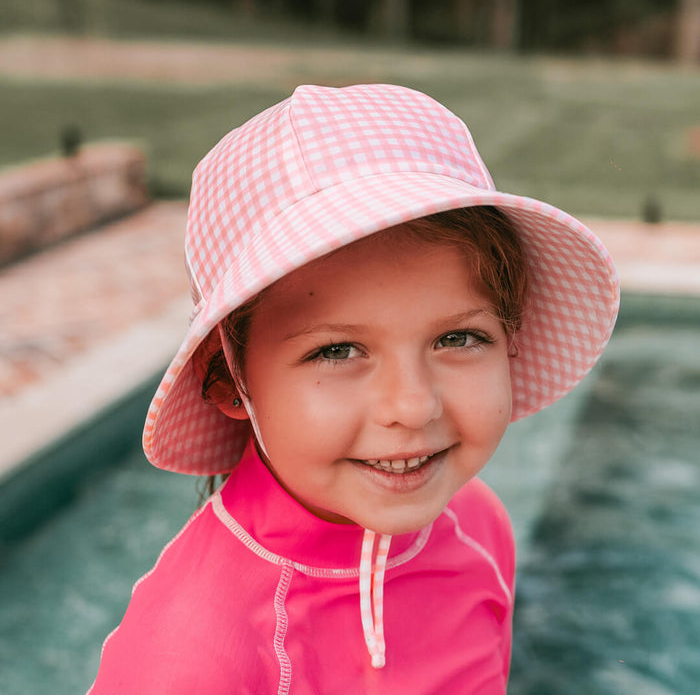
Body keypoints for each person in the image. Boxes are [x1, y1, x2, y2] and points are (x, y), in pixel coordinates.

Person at [88, 83, 619, 694]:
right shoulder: (189, 663)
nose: (414, 405)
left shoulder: (477, 525)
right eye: (337, 350)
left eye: (459, 339)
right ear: (229, 379)